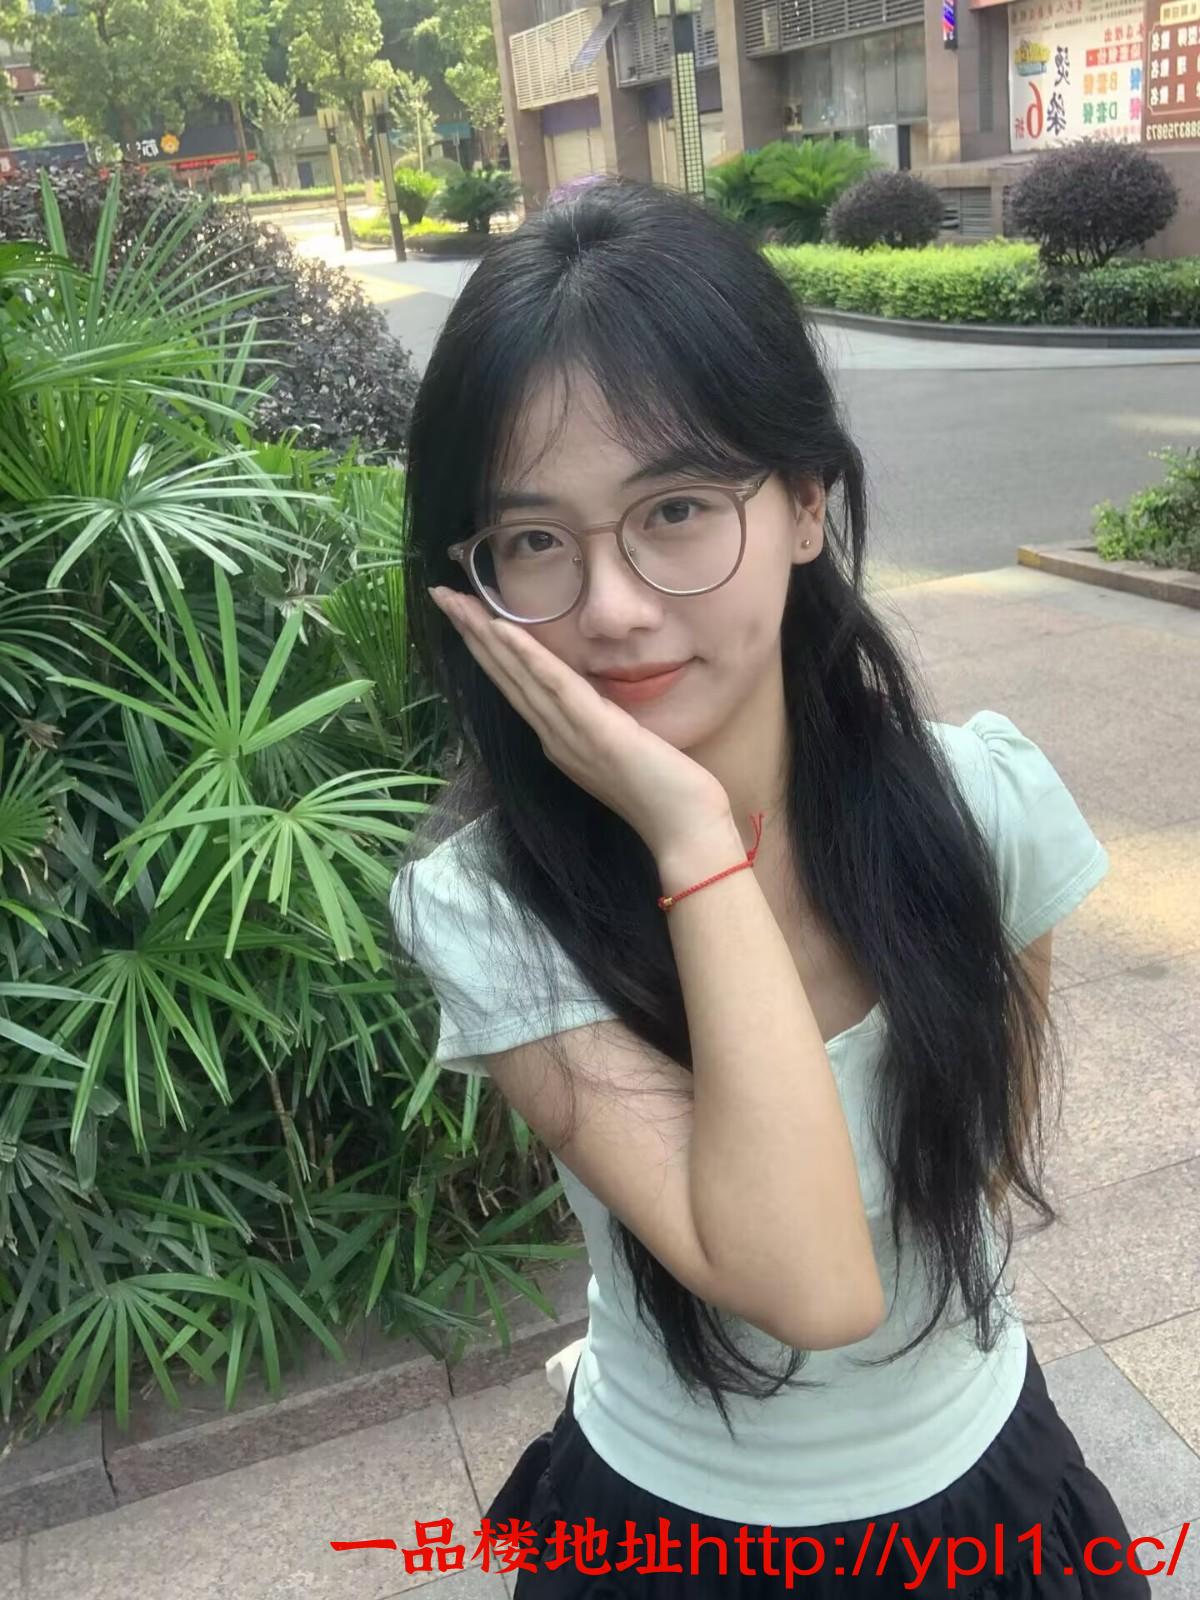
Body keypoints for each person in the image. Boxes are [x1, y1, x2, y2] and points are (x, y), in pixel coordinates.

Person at [390, 179, 1147, 1598]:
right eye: (534, 542)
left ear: (806, 503)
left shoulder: (980, 808)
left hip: (989, 1483)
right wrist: (694, 837)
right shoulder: (492, 911)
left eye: (676, 509)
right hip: (669, 1534)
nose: (612, 608)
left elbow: (974, 1170)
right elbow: (812, 1286)